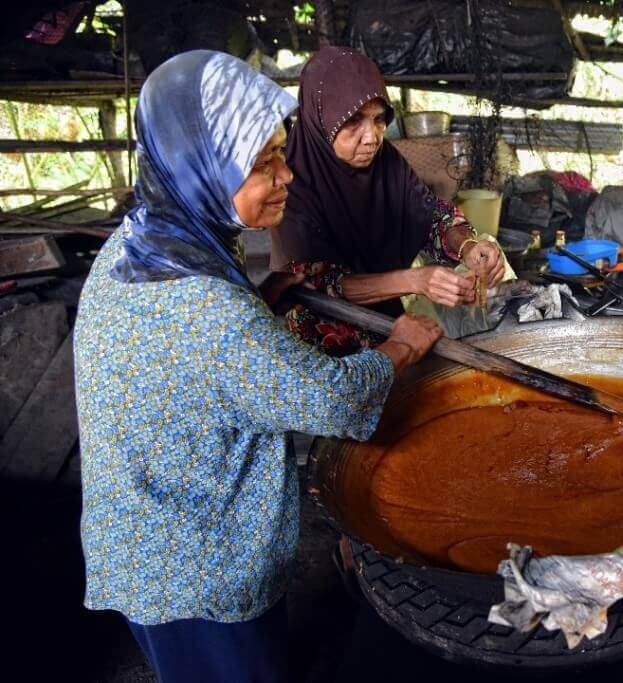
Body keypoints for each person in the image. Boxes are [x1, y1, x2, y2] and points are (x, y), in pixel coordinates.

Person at [74, 50, 441, 682]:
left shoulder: (140, 241)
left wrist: (262, 295)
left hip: (139, 524)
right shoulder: (209, 312)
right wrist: (401, 347)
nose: (285, 176)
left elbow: (195, 359)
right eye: (260, 164)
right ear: (201, 169)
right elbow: (332, 401)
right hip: (191, 569)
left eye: (281, 153)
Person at [270, 47, 505, 355]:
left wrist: (469, 247)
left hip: (392, 324)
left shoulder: (386, 163)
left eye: (379, 119)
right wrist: (414, 280)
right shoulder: (287, 183)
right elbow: (320, 283)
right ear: (320, 118)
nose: (371, 137)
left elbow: (432, 216)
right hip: (324, 344)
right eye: (353, 121)